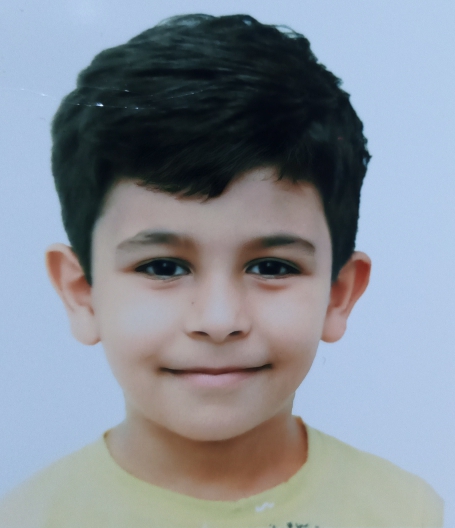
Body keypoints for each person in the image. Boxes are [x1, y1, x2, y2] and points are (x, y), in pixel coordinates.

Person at [0, 13, 443, 528]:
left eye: (271, 266)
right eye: (163, 266)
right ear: (82, 292)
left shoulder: (408, 513)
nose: (217, 320)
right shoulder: (26, 518)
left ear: (338, 294)